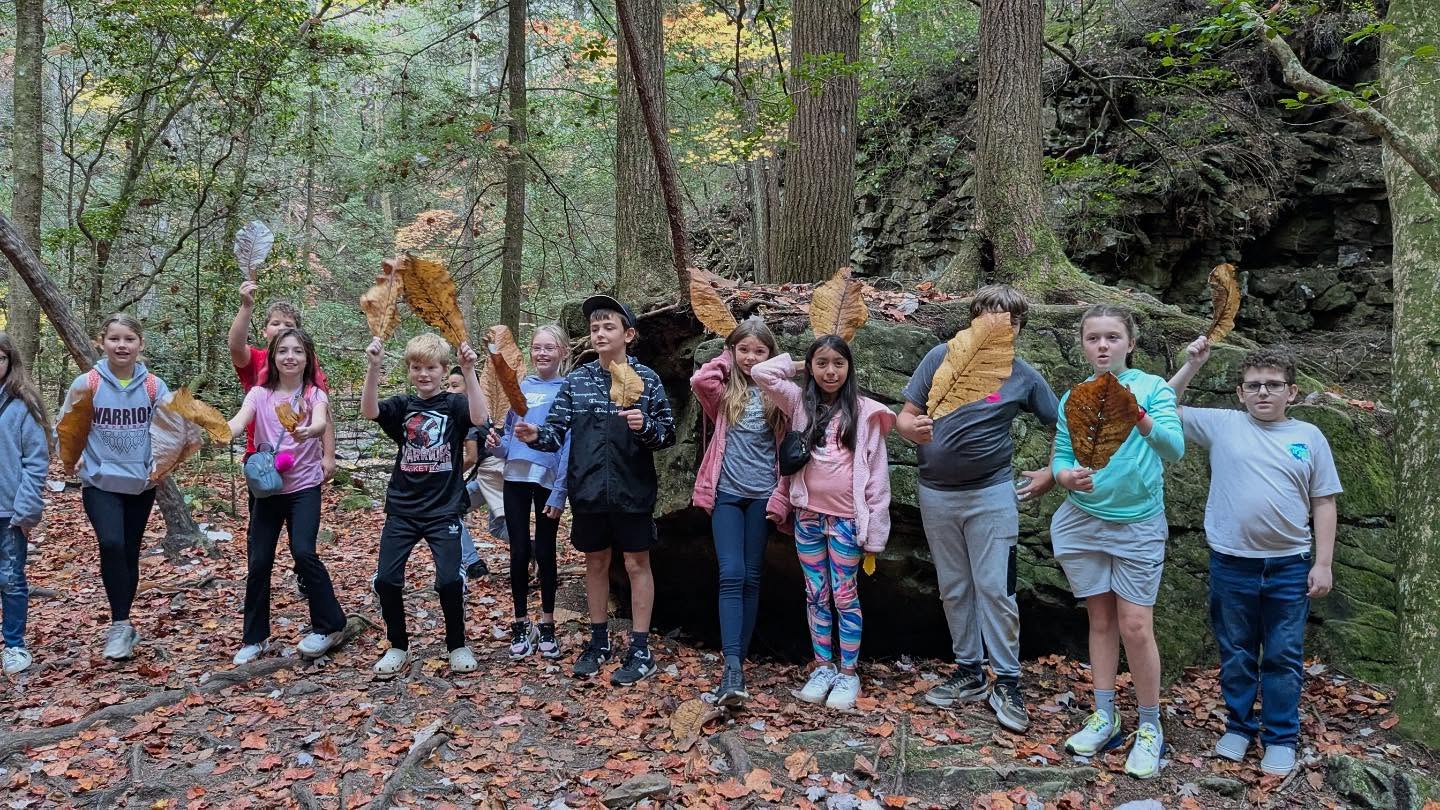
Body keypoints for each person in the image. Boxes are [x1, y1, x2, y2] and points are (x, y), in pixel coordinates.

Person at [1168, 338, 1341, 777]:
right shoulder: (1223, 424)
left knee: (1283, 653)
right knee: (1236, 651)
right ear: (1240, 393)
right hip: (1232, 563)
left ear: (1292, 392)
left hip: (1289, 564)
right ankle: (1239, 727)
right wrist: (1192, 365)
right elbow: (1160, 407)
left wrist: (1323, 563)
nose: (1263, 392)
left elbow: (1324, 501)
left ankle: (1281, 736)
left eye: (1273, 384)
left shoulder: (1309, 437)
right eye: (1253, 385)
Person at [895, 285, 1059, 732]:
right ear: (973, 320)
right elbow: (905, 416)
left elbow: (1060, 425)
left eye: (1010, 322)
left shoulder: (1022, 375)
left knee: (996, 588)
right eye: (989, 318)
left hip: (991, 495)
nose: (998, 328)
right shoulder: (940, 357)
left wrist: (1051, 473)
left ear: (1019, 329)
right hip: (936, 494)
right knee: (954, 587)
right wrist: (911, 429)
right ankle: (968, 670)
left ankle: (1007, 680)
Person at [1050, 305, 1184, 779]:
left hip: (1138, 524)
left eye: (1112, 337)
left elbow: (1174, 448)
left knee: (1136, 626)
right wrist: (1065, 476)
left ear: (1130, 342)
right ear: (1083, 345)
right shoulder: (1076, 395)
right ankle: (1104, 715)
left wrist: (1139, 415)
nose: (1103, 345)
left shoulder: (1152, 388)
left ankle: (1150, 724)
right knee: (1101, 620)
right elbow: (1061, 455)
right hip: (1084, 520)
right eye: (1093, 338)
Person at [513, 295, 676, 686]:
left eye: (608, 327)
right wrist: (535, 435)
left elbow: (666, 434)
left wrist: (644, 426)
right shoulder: (577, 381)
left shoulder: (646, 379)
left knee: (636, 563)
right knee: (596, 562)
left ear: (628, 334)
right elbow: (554, 433)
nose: (600, 334)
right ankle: (598, 640)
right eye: (594, 328)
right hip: (587, 491)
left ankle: (640, 648)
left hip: (632, 490)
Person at [752, 336, 895, 711]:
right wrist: (801, 365)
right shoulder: (799, 403)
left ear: (850, 368)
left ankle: (848, 673)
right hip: (808, 517)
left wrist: (875, 533)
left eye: (838, 364)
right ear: (811, 367)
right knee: (815, 594)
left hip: (847, 521)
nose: (831, 371)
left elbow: (878, 477)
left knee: (844, 595)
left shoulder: (865, 413)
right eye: (822, 363)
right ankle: (823, 667)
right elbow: (762, 372)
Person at [362, 333, 488, 675]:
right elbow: (370, 410)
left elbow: (479, 417)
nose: (424, 374)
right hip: (402, 509)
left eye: (431, 368)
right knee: (387, 581)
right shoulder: (403, 406)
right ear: (409, 370)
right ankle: (397, 645)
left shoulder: (454, 405)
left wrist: (469, 370)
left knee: (449, 581)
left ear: (444, 370)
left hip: (443, 509)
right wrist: (373, 367)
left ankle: (457, 644)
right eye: (417, 367)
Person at [225, 328, 348, 665]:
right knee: (259, 560)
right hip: (268, 489)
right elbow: (239, 422)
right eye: (283, 351)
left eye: (297, 351)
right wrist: (219, 430)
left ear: (307, 358)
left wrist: (310, 431)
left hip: (304, 488)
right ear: (273, 357)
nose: (289, 357)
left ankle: (330, 625)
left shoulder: (314, 394)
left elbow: (320, 422)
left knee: (304, 552)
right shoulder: (259, 394)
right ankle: (254, 638)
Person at [61, 314, 172, 660]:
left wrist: (162, 463)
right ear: (102, 342)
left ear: (140, 344)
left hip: (140, 483)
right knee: (111, 543)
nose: (121, 345)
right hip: (100, 480)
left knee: (129, 551)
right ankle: (119, 625)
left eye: (129, 339)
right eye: (114, 339)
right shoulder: (87, 383)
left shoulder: (154, 386)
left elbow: (172, 430)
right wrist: (74, 455)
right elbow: (65, 425)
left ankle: (124, 625)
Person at [690, 317, 788, 706]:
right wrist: (727, 358)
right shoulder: (724, 391)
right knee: (731, 573)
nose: (751, 358)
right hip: (727, 494)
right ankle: (732, 667)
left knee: (751, 577)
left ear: (771, 355)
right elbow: (701, 380)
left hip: (763, 496)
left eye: (759, 351)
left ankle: (738, 668)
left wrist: (773, 369)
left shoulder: (778, 395)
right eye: (743, 350)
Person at [227, 280, 335, 600]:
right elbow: (235, 346)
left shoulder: (307, 367)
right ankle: (258, 595)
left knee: (302, 542)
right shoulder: (258, 361)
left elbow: (323, 414)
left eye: (288, 325)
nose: (281, 329)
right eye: (275, 323)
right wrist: (246, 306)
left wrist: (328, 455)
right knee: (260, 542)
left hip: (301, 467)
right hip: (262, 465)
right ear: (265, 331)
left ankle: (305, 575)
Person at [485, 325, 572, 660]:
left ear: (563, 351)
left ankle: (548, 625)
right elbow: (509, 438)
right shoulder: (520, 387)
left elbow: (568, 444)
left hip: (548, 478)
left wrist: (560, 491)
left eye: (549, 347)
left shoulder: (567, 390)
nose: (542, 353)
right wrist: (496, 445)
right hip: (515, 476)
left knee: (546, 552)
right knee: (519, 551)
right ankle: (521, 623)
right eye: (537, 347)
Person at [0, 333, 51, 675]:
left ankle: (14, 645)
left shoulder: (21, 405)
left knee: (10, 578)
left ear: (10, 361)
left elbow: (36, 461)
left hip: (8, 509)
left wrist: (27, 508)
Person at [444, 367, 492, 582]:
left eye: (455, 386)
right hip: (492, 478)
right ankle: (532, 548)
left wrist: (449, 476)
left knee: (450, 512)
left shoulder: (471, 416)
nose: (449, 390)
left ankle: (473, 564)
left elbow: (471, 457)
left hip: (489, 479)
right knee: (498, 526)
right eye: (448, 385)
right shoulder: (484, 411)